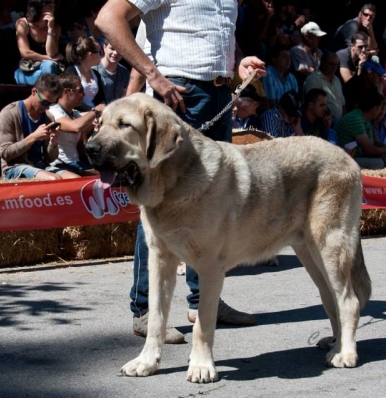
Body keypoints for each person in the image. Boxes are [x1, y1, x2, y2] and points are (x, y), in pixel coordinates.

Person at [95, 0, 266, 343]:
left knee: (213, 203)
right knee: (158, 203)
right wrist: (153, 76)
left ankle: (204, 303)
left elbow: (214, 36)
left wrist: (239, 62)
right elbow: (108, 18)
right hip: (179, 92)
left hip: (217, 92)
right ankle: (144, 311)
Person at [0, 74, 79, 180]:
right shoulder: (10, 113)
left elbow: (50, 159)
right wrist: (33, 137)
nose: (46, 107)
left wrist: (53, 143)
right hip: (14, 167)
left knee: (75, 179)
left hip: (39, 165)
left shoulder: (48, 117)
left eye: (51, 104)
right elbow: (5, 154)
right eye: (44, 102)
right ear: (34, 92)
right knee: (54, 179)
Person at [48, 73, 103, 176]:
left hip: (76, 163)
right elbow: (75, 127)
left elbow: (83, 143)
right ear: (66, 92)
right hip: (59, 164)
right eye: (80, 91)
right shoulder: (53, 112)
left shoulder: (75, 114)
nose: (83, 95)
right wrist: (96, 111)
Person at [336, 90, 386, 169]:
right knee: (378, 163)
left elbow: (370, 145)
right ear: (374, 108)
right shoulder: (355, 119)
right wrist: (385, 150)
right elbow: (370, 150)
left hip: (355, 157)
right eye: (379, 109)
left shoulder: (366, 122)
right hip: (344, 160)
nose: (379, 112)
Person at [13, 0, 63, 86]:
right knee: (50, 71)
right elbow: (25, 53)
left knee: (49, 66)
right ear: (38, 7)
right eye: (48, 5)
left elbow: (52, 53)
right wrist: (48, 58)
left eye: (53, 6)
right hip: (25, 70)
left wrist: (50, 28)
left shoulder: (56, 27)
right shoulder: (23, 23)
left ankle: (46, 92)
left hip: (47, 69)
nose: (52, 9)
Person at [64, 37, 106, 112]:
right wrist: (93, 111)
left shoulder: (96, 74)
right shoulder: (71, 72)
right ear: (90, 54)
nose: (101, 56)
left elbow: (101, 98)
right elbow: (71, 100)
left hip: (95, 113)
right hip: (77, 113)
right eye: (99, 52)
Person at [303, 51, 345, 119]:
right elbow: (314, 107)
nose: (334, 67)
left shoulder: (337, 80)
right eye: (330, 64)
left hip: (339, 123)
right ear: (322, 62)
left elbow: (342, 104)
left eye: (336, 64)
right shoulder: (313, 79)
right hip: (322, 122)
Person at [96, 38, 130, 104]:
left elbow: (124, 97)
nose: (115, 53)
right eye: (112, 48)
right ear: (104, 47)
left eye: (119, 50)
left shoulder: (125, 72)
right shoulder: (94, 69)